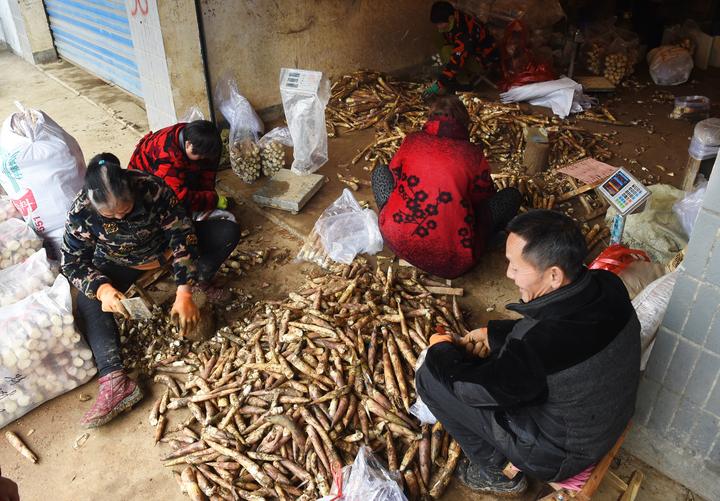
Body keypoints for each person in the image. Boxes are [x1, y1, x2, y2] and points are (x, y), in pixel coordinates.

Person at [416, 210, 641, 496]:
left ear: (554, 275)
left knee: (430, 380)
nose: (508, 274)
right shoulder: (607, 285)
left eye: (515, 266)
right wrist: (493, 335)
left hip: (563, 454)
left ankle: (497, 472)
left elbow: (471, 391)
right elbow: (559, 332)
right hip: (610, 415)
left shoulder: (536, 347)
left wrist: (441, 351)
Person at [61, 153, 239, 428]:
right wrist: (101, 288)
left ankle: (201, 281)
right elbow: (72, 261)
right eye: (110, 214)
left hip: (164, 250)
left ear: (130, 188)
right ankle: (114, 379)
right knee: (87, 302)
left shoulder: (151, 188)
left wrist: (184, 290)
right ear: (94, 203)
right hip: (120, 262)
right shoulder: (80, 212)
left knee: (226, 231)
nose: (120, 215)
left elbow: (183, 236)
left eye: (126, 208)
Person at [372, 95, 520, 279]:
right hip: (451, 261)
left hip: (395, 240)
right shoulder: (472, 154)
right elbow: (483, 197)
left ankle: (401, 227)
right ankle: (486, 241)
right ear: (464, 123)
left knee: (380, 172)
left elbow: (395, 176)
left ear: (430, 119)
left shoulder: (412, 140)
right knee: (511, 196)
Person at [127, 119, 233, 213]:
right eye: (200, 156)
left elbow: (209, 169)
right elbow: (177, 196)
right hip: (143, 186)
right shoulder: (168, 158)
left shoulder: (194, 135)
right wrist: (212, 200)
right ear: (188, 145)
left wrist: (208, 193)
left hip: (166, 169)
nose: (202, 159)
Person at [425, 1, 500, 97]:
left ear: (450, 18)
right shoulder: (454, 17)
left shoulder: (464, 33)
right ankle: (450, 74)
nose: (438, 26)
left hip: (484, 59)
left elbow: (456, 62)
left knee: (446, 51)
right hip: (470, 50)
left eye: (440, 23)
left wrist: (438, 85)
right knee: (438, 39)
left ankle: (464, 84)